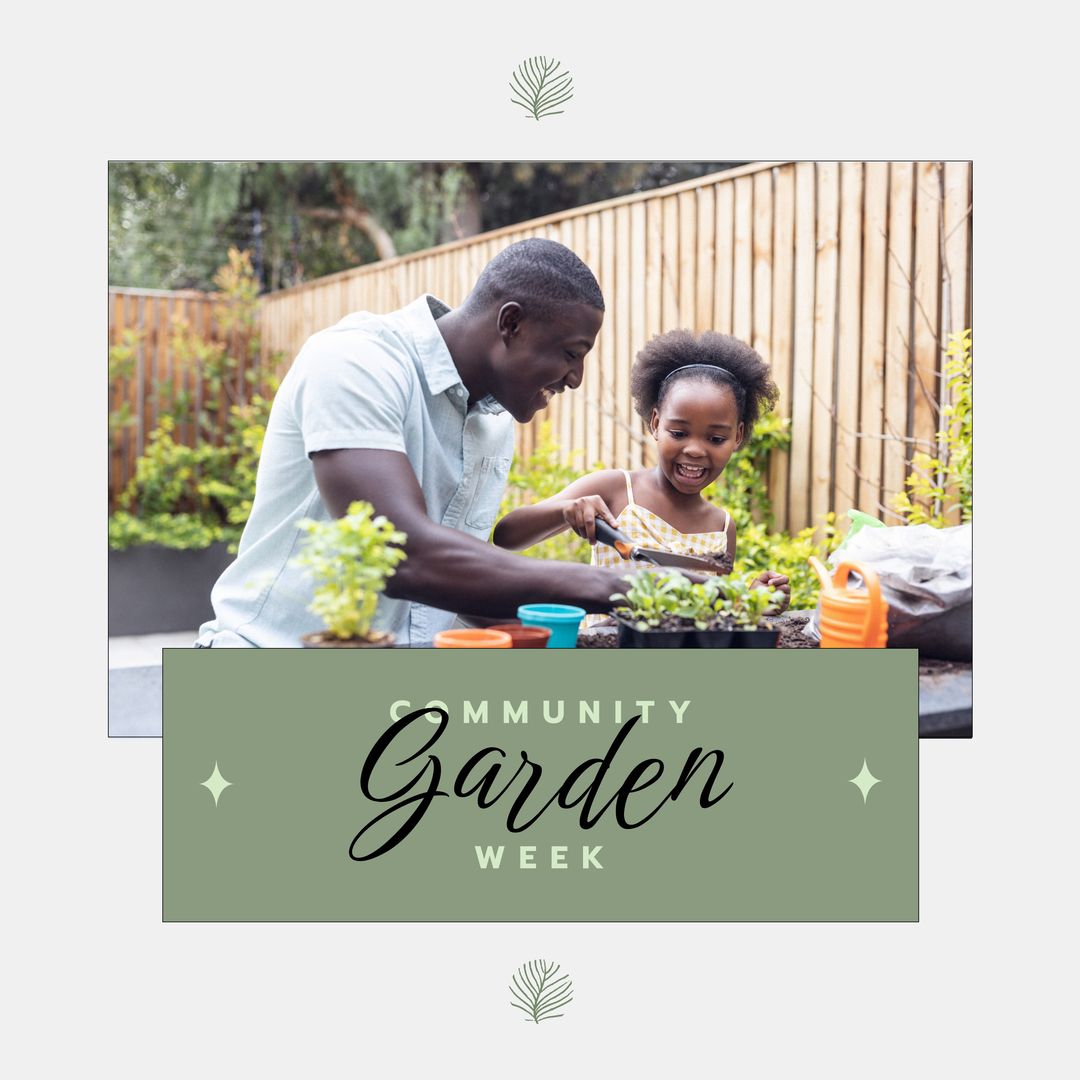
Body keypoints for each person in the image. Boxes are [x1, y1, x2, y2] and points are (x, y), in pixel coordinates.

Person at [196, 238, 640, 647]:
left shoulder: (493, 423)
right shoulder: (356, 361)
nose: (576, 379)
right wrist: (622, 588)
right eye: (571, 353)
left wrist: (589, 633)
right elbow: (404, 555)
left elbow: (456, 584)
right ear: (511, 323)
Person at [491, 330, 791, 614]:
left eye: (715, 439)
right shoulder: (615, 490)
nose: (695, 450)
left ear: (737, 437)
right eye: (679, 432)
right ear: (656, 423)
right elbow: (507, 535)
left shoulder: (722, 526)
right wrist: (565, 510)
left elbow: (709, 609)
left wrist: (750, 599)